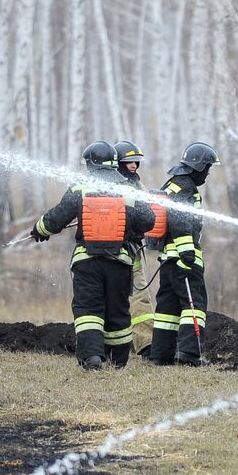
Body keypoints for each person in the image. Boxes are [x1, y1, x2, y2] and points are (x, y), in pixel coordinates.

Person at [32, 141, 155, 370]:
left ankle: (92, 357)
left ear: (90, 164)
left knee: (88, 309)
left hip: (86, 261)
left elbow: (58, 217)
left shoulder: (81, 187)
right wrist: (129, 229)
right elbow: (148, 220)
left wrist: (40, 229)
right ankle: (117, 360)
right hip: (120, 262)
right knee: (118, 310)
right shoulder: (128, 188)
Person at [150, 142, 219, 366]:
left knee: (167, 309)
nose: (207, 174)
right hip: (183, 258)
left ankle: (161, 354)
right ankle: (190, 353)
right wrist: (187, 251)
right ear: (197, 166)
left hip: (168, 258)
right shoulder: (185, 187)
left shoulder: (172, 184)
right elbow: (179, 219)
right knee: (194, 305)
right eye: (207, 168)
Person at [114, 140, 157, 355]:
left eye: (136, 162)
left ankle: (144, 343)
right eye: (129, 161)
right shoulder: (119, 186)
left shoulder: (136, 185)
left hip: (131, 251)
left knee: (138, 297)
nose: (133, 165)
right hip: (120, 251)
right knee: (131, 297)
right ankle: (141, 344)